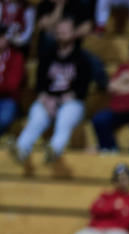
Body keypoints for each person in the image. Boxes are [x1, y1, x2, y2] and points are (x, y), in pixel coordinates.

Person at [11, 17, 90, 163]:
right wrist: (46, 99)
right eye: (60, 31)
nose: (62, 33)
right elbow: (39, 85)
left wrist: (61, 101)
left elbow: (82, 90)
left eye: (66, 31)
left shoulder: (82, 58)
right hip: (48, 99)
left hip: (71, 102)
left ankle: (54, 149)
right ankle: (22, 149)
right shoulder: (47, 55)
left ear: (74, 33)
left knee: (65, 117)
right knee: (37, 116)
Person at [0, 29, 24, 138]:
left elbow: (12, 85)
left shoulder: (16, 57)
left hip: (7, 99)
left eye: (1, 36)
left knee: (4, 118)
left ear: (7, 38)